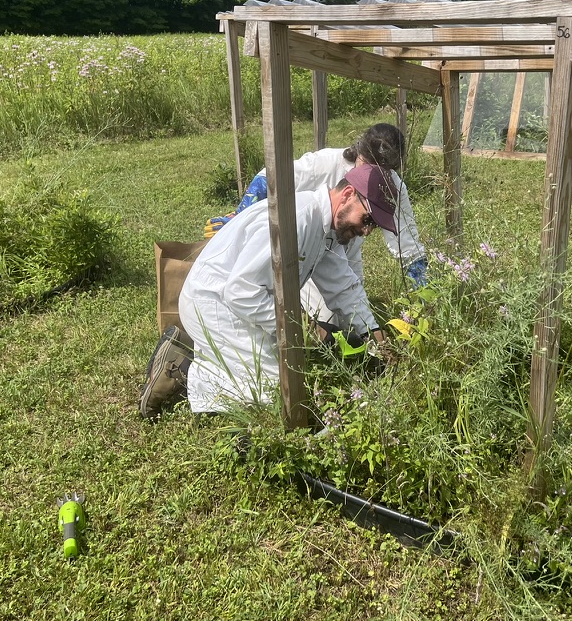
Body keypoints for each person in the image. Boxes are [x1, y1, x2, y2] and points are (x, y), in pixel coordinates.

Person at [139, 164, 398, 419]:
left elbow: (344, 286)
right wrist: (305, 327)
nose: (366, 231)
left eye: (372, 225)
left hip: (241, 305)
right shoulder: (297, 218)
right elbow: (241, 291)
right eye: (367, 219)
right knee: (275, 392)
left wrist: (373, 334)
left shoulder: (327, 225)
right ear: (348, 194)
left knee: (292, 374)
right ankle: (182, 366)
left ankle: (203, 357)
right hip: (215, 303)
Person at [204, 123, 428, 294]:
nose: (372, 176)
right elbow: (269, 178)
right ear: (359, 153)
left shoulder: (393, 187)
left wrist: (425, 294)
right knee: (321, 319)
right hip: (305, 256)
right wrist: (239, 217)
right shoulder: (327, 163)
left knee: (352, 313)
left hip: (346, 255)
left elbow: (407, 244)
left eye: (382, 171)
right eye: (366, 166)